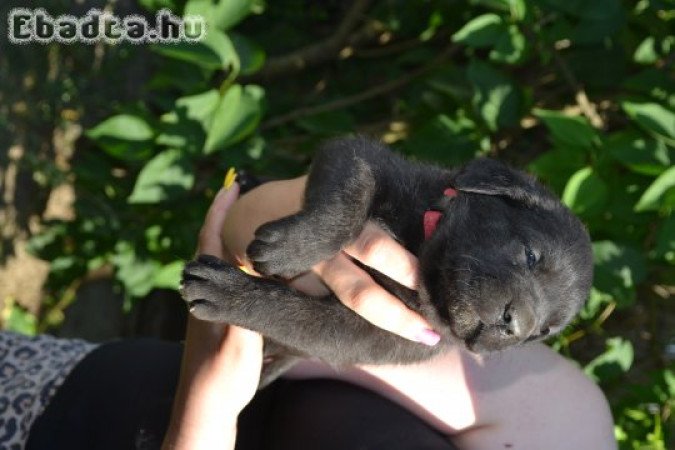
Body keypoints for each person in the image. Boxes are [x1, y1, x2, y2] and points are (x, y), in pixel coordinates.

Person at [8, 178, 615, 449]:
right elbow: (255, 239)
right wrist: (288, 219)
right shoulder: (561, 424)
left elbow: (221, 368)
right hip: (51, 389)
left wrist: (206, 420)